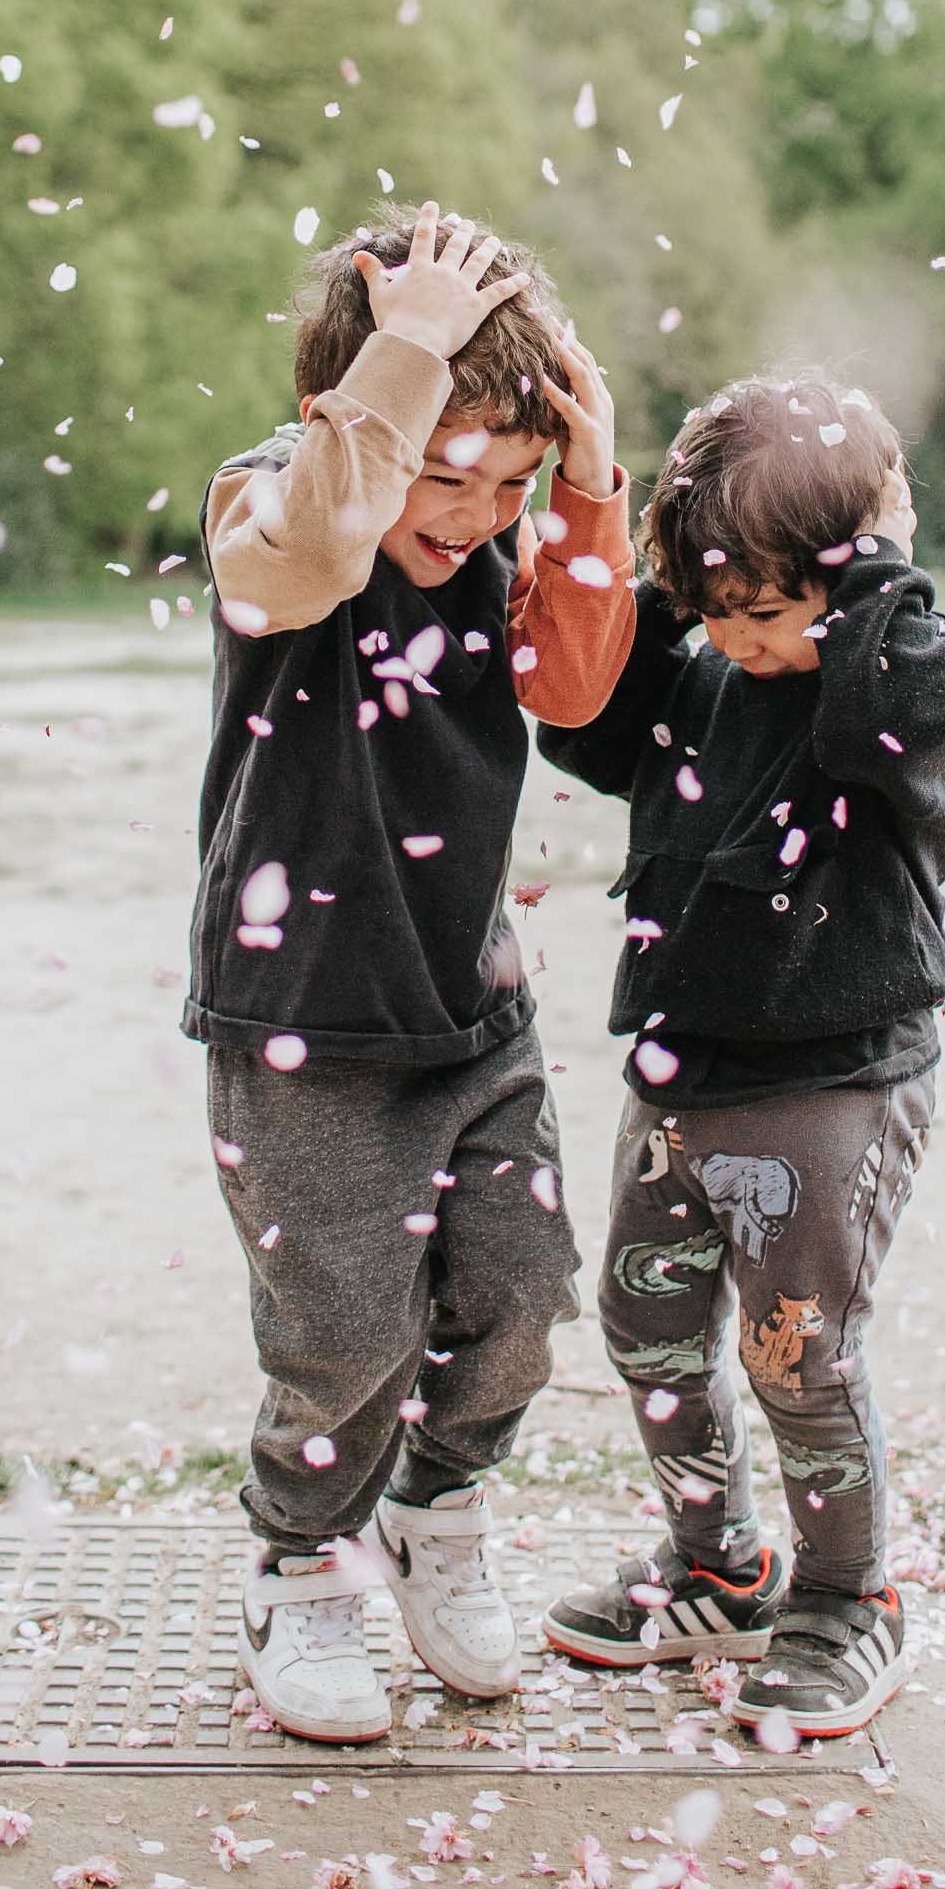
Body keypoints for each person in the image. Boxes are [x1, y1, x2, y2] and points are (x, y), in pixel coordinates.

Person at [186, 201, 634, 1745]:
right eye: (446, 473)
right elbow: (306, 564)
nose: (471, 509)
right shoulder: (269, 501)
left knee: (518, 1292)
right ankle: (300, 1558)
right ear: (354, 406)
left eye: (505, 479)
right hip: (302, 1014)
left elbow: (575, 685)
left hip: (469, 1003)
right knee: (346, 1325)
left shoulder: (505, 542)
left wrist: (583, 492)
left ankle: (434, 1516)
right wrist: (408, 359)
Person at [536, 375, 945, 1744]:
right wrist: (664, 570)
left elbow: (876, 720)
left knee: (802, 1357)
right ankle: (719, 1563)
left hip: (828, 1088)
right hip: (682, 1073)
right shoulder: (710, 668)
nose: (734, 640)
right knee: (645, 1327)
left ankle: (849, 1597)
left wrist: (872, 567)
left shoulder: (918, 673)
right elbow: (583, 723)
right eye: (714, 609)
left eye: (766, 611)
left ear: (853, 576)